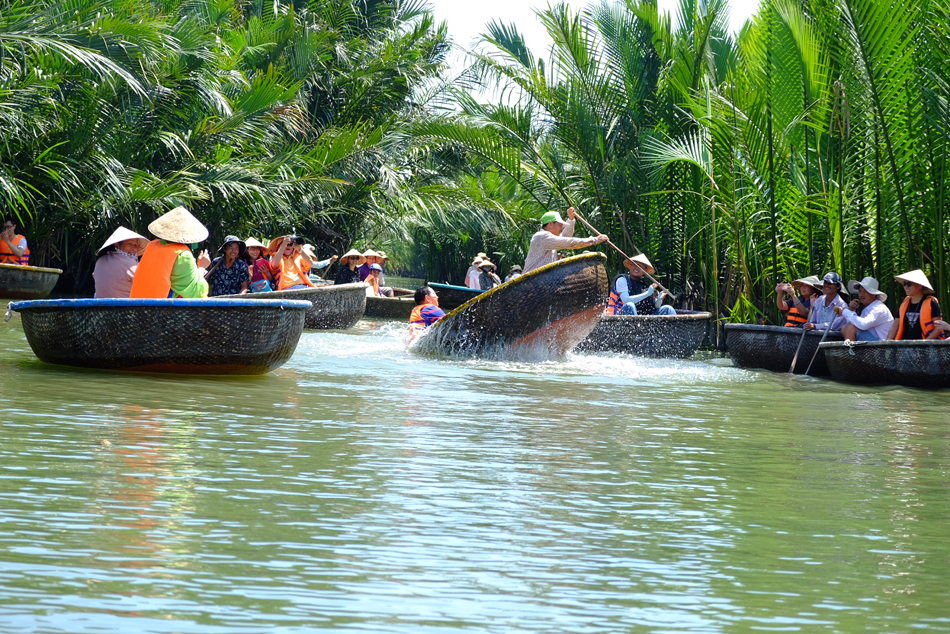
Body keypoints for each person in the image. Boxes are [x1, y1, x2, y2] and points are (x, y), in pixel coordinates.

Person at [130, 206, 212, 298]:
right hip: (164, 309)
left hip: (141, 305)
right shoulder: (183, 255)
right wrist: (202, 267)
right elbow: (195, 292)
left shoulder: (151, 246)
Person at [523, 207, 608, 273]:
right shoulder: (542, 236)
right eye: (560, 225)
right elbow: (569, 243)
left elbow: (564, 237)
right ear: (550, 224)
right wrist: (594, 240)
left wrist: (571, 219)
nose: (561, 228)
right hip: (531, 282)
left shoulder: (549, 238)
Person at [886, 269, 949, 340]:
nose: (906, 287)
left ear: (919, 286)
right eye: (904, 284)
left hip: (926, 346)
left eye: (909, 284)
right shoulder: (904, 302)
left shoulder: (931, 302)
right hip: (904, 344)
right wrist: (887, 343)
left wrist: (924, 343)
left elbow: (938, 328)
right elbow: (895, 325)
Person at [605, 254, 676, 316]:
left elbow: (654, 307)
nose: (636, 268)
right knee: (630, 305)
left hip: (640, 320)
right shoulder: (622, 280)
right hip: (618, 317)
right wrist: (648, 293)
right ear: (630, 266)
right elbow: (626, 300)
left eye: (640, 266)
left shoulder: (644, 285)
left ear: (645, 270)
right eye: (634, 265)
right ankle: (636, 331)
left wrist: (659, 299)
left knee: (668, 309)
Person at [93, 227, 149, 298]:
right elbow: (146, 286)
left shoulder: (100, 261)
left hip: (101, 307)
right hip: (124, 307)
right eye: (129, 244)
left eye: (135, 245)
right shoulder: (129, 263)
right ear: (116, 244)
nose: (133, 248)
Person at [832, 276, 894, 341]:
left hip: (881, 344)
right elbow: (857, 324)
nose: (861, 294)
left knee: (850, 328)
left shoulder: (878, 308)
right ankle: (852, 351)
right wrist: (851, 309)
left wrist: (844, 311)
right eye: (860, 291)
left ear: (873, 294)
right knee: (845, 327)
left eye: (865, 291)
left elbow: (864, 325)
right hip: (874, 340)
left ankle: (850, 351)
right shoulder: (868, 308)